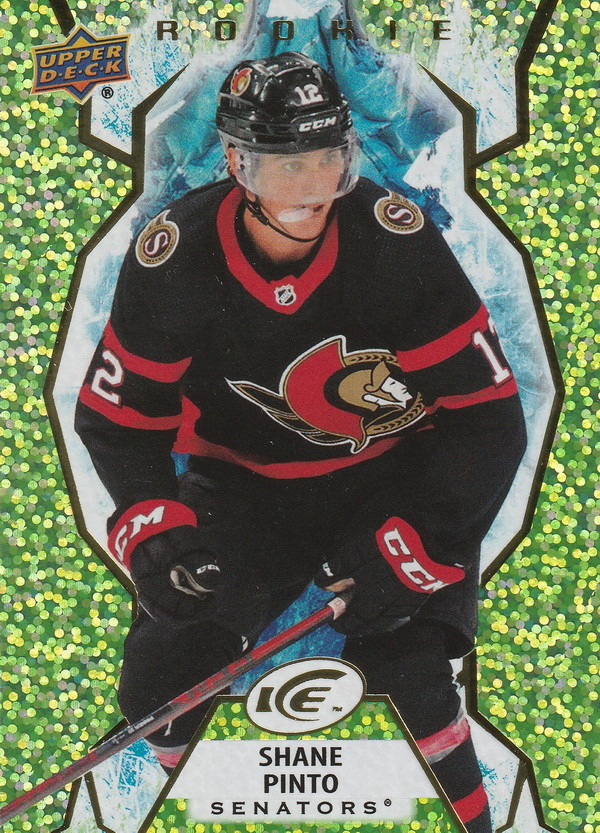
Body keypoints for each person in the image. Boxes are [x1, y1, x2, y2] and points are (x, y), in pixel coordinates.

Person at [75, 52, 526, 833]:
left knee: (407, 665)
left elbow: (488, 417)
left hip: (390, 476)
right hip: (243, 489)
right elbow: (119, 419)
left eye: (328, 158)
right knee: (165, 671)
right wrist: (153, 528)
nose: (313, 187)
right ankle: (167, 804)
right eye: (287, 166)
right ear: (236, 164)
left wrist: (422, 541)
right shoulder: (175, 257)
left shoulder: (395, 242)